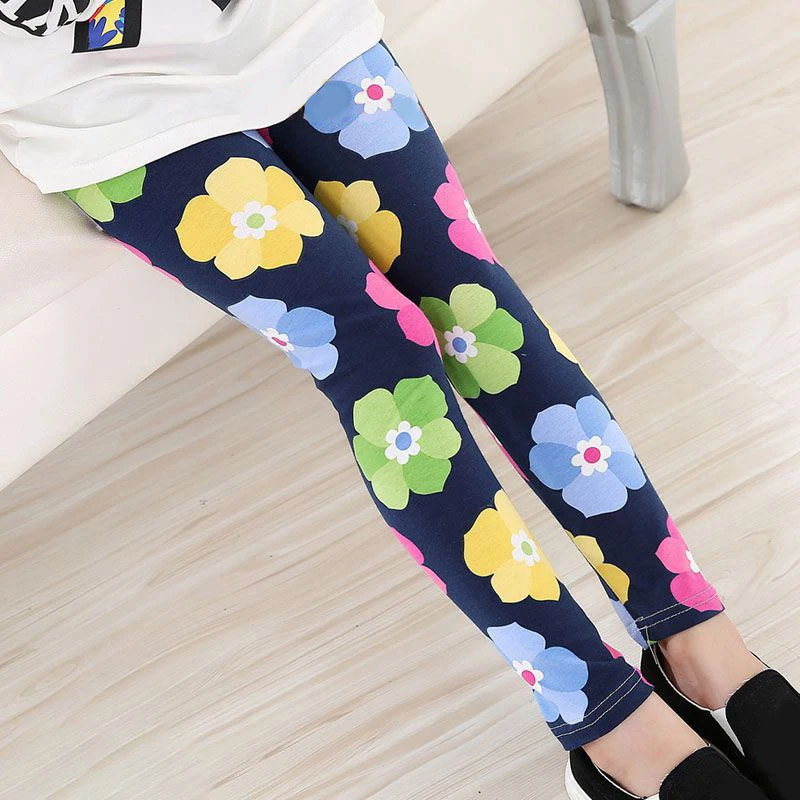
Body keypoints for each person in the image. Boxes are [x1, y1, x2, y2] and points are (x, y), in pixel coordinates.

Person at [0, 2, 796, 798]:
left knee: (478, 311)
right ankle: (603, 714)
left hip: (284, 22)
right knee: (381, 357)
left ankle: (697, 639)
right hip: (99, 100)